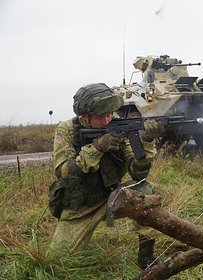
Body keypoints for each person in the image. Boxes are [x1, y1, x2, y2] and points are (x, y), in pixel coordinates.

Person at [47, 83, 164, 269]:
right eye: (101, 116)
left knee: (145, 190)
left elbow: (138, 173)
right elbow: (64, 174)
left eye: (110, 113)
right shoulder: (67, 130)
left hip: (112, 197)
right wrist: (97, 148)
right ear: (84, 117)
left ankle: (146, 257)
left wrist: (147, 141)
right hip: (80, 206)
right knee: (57, 262)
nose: (108, 120)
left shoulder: (117, 124)